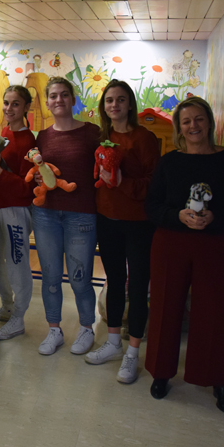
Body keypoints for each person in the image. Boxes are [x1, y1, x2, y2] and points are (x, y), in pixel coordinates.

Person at [144, 96, 224, 414]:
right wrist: (178, 215)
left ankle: (217, 378)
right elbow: (152, 206)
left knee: (213, 312)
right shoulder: (170, 162)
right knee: (165, 307)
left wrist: (215, 218)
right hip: (171, 243)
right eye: (187, 121)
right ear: (179, 127)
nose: (194, 126)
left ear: (209, 123)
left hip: (214, 244)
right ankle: (162, 373)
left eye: (199, 119)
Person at [85, 80, 160, 384]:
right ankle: (114, 342)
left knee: (139, 285)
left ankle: (132, 353)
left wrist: (121, 182)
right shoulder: (102, 137)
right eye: (109, 101)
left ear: (130, 104)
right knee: (114, 281)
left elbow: (155, 185)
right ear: (104, 107)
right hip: (107, 219)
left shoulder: (145, 138)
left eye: (120, 100)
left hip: (139, 222)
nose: (114, 105)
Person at [31, 77, 100, 356]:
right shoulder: (43, 136)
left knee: (80, 277)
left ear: (73, 99)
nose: (58, 100)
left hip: (81, 214)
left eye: (64, 95)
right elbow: (39, 168)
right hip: (46, 214)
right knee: (49, 277)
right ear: (47, 103)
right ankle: (54, 330)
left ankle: (86, 328)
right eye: (53, 96)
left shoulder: (92, 132)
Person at [0, 85, 37, 340]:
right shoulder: (4, 134)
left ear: (26, 107)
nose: (9, 108)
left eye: (16, 104)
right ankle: (7, 306)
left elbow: (27, 187)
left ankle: (19, 318)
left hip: (16, 210)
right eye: (6, 103)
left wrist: (0, 172)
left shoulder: (29, 142)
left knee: (17, 263)